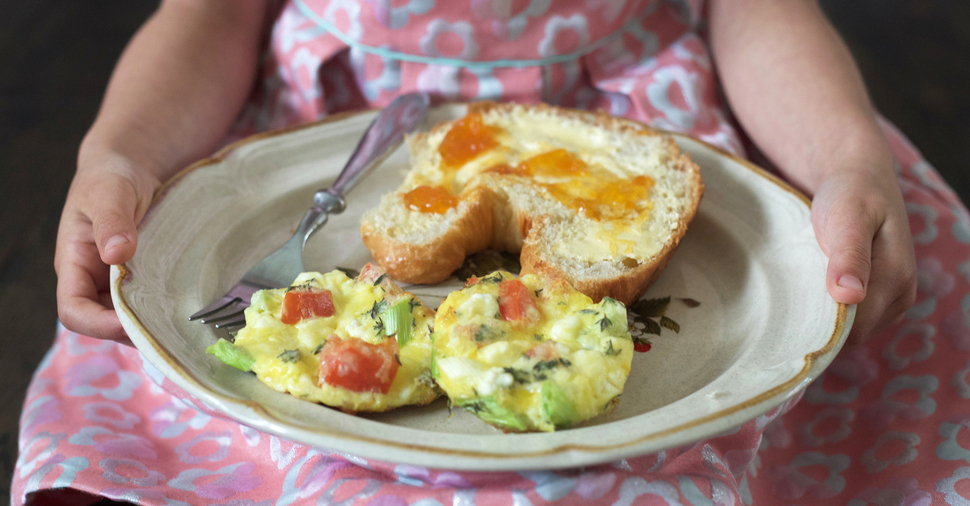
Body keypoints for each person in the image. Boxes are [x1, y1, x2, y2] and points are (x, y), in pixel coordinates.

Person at [16, 0, 963, 503]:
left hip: (640, 118)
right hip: (336, 132)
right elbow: (210, 14)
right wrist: (123, 155)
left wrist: (842, 157)